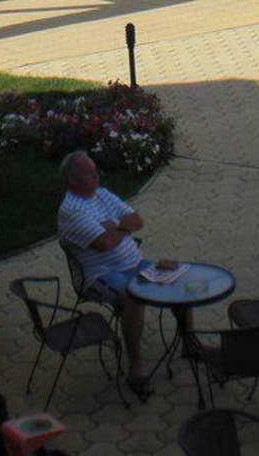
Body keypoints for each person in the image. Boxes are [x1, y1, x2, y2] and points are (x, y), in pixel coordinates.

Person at [56, 150, 184, 399]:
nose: (96, 176)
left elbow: (137, 220)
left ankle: (190, 344)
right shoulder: (71, 211)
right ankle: (135, 368)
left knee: (176, 274)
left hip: (135, 263)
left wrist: (115, 226)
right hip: (101, 275)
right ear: (72, 180)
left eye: (95, 171)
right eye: (89, 173)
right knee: (132, 295)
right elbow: (104, 243)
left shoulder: (101, 194)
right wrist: (121, 227)